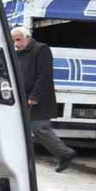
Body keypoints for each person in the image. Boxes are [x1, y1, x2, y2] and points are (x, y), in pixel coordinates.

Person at [12, 26, 76, 172]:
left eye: (18, 39)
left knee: (40, 129)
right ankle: (22, 160)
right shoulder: (18, 54)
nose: (16, 43)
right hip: (23, 97)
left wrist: (35, 96)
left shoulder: (41, 49)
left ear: (27, 37)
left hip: (38, 98)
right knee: (21, 129)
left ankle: (65, 153)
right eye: (14, 41)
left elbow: (44, 75)